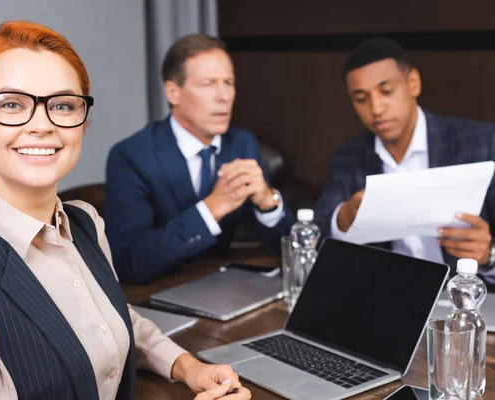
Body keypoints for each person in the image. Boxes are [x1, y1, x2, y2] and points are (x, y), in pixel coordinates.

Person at [0, 21, 251, 400]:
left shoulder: (85, 222)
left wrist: (187, 366)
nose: (41, 125)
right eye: (12, 104)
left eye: (63, 105)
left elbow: (113, 318)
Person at [105, 34, 295, 284]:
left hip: (226, 288)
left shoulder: (242, 143)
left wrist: (267, 202)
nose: (224, 96)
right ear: (174, 92)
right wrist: (211, 209)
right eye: (208, 84)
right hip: (158, 292)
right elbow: (130, 262)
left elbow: (289, 249)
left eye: (229, 82)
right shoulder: (131, 156)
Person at [314, 37, 495, 282]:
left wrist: (489, 254)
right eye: (361, 98)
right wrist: (345, 218)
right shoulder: (349, 157)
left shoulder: (481, 142)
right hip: (387, 296)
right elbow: (318, 232)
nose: (376, 108)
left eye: (386, 91)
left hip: (465, 303)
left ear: (413, 83)